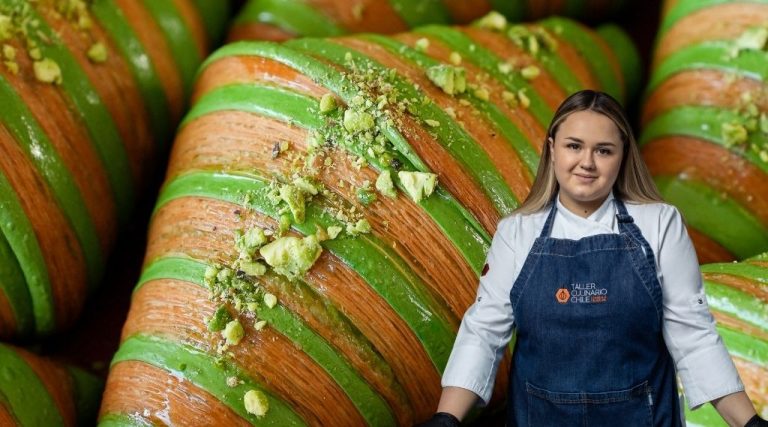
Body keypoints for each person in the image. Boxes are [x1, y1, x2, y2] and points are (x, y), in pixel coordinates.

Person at [418, 90, 766, 427]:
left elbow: (693, 335)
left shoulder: (659, 223)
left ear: (623, 155)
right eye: (574, 146)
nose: (587, 162)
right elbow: (483, 333)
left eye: (603, 150)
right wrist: (447, 417)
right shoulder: (517, 232)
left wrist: (748, 422)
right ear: (552, 150)